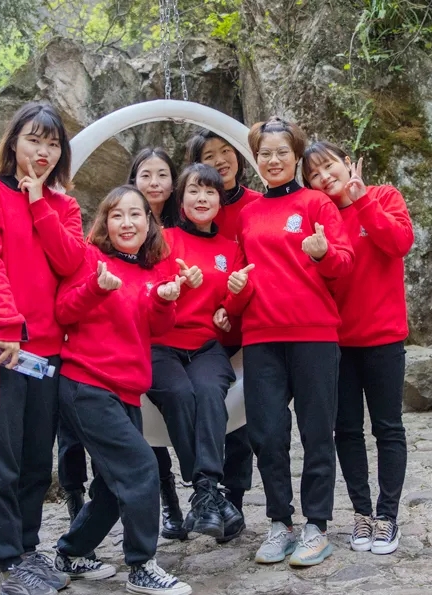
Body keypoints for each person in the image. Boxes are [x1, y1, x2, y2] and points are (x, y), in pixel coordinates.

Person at [0, 102, 85, 594]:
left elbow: (71, 262)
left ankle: (28, 550)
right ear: (13, 142)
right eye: (34, 140)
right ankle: (8, 560)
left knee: (36, 459)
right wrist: (8, 325)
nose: (43, 152)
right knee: (0, 459)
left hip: (46, 354)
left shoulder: (64, 206)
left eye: (53, 144)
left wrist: (38, 203)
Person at [226, 116, 354, 568]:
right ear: (256, 159)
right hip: (261, 337)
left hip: (313, 333)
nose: (273, 160)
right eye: (265, 153)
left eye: (282, 152)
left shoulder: (317, 203)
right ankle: (279, 522)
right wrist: (233, 293)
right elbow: (237, 282)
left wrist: (323, 253)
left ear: (296, 156)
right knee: (266, 434)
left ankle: (316, 526)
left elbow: (343, 263)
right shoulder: (248, 213)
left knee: (317, 431)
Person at [52, 185, 192, 595]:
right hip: (86, 384)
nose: (127, 223)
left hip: (128, 389)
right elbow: (63, 311)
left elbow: (157, 328)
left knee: (115, 485)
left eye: (135, 214)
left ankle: (72, 551)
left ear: (149, 223)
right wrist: (96, 288)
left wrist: (165, 300)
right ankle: (142, 565)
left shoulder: (152, 270)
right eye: (117, 215)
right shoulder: (88, 258)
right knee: (141, 468)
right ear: (105, 222)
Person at [302, 141, 413, 555]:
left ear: (347, 163)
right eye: (314, 175)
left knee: (388, 427)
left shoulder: (384, 196)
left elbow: (399, 243)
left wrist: (363, 200)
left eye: (328, 166)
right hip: (337, 342)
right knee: (346, 431)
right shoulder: (320, 219)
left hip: (384, 338)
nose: (324, 177)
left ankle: (387, 516)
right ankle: (362, 514)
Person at [146, 163, 248, 544]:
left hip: (206, 346)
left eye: (210, 192)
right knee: (178, 393)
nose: (202, 198)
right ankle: (209, 492)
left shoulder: (231, 250)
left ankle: (204, 493)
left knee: (208, 391)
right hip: (161, 345)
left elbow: (233, 305)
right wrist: (176, 286)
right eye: (194, 190)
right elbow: (146, 289)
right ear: (181, 198)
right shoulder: (162, 239)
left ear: (220, 201)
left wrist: (230, 305)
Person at [184, 130, 261, 535]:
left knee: (242, 419)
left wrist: (233, 305)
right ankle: (203, 495)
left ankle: (234, 499)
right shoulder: (188, 215)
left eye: (225, 150)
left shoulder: (257, 204)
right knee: (205, 403)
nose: (220, 160)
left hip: (246, 323)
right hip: (202, 333)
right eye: (208, 155)